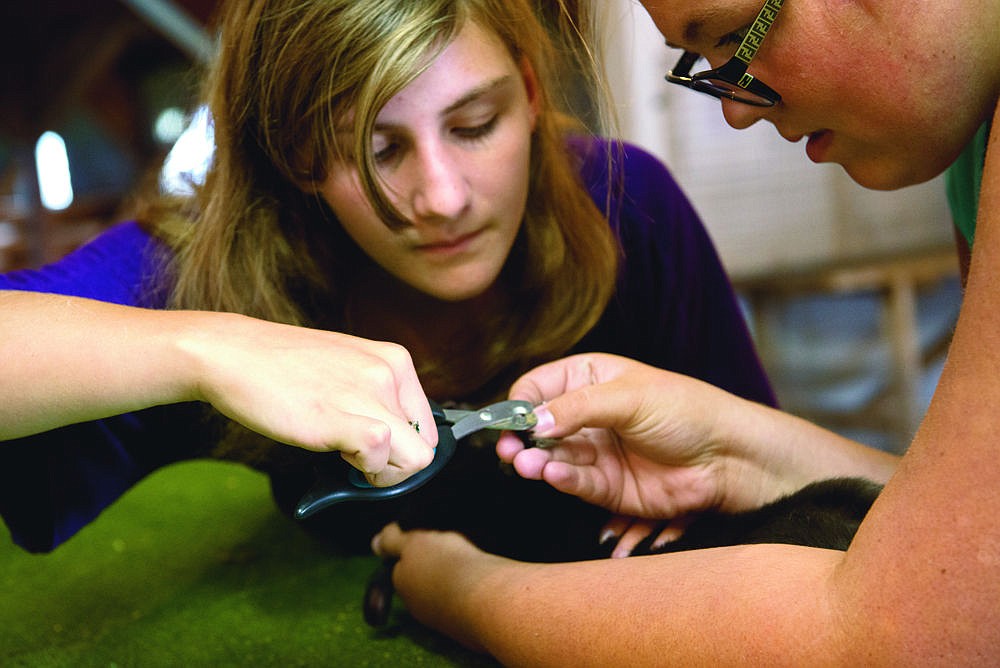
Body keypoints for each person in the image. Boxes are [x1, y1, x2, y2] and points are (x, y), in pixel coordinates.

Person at [0, 0, 774, 554]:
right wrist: (207, 351)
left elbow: (767, 484)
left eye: (475, 126)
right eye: (377, 149)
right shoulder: (196, 264)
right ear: (295, 153)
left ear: (533, 94)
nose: (441, 198)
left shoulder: (626, 204)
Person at [373, 0, 1000, 663]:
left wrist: (464, 588)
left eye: (734, 35)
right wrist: (736, 452)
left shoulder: (631, 206)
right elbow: (969, 542)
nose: (736, 108)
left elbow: (908, 635)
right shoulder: (974, 155)